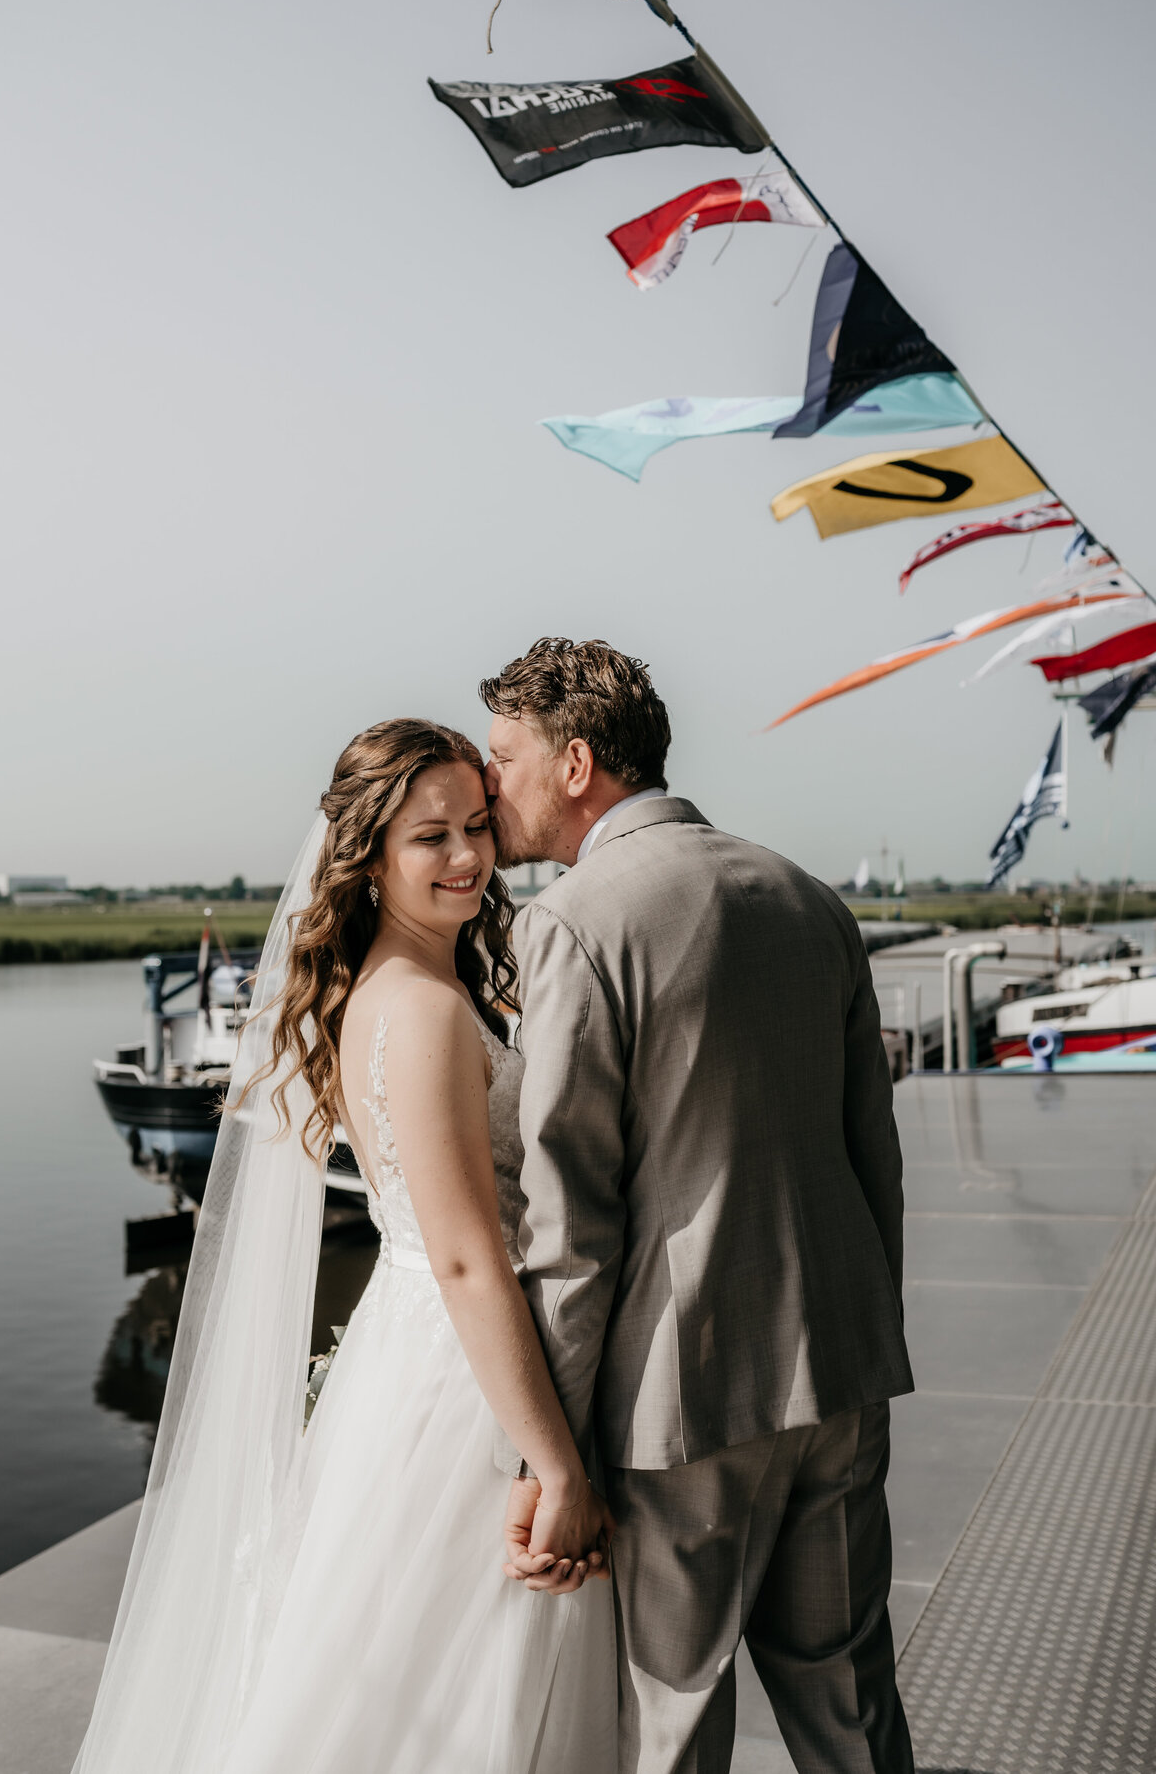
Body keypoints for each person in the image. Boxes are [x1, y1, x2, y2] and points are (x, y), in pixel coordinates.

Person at [72, 719, 616, 1774]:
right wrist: (555, 1468)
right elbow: (465, 1259)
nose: (466, 856)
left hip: (412, 1351)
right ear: (368, 857)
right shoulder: (420, 1011)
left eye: (475, 826)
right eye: (429, 839)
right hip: (456, 1378)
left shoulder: (403, 985)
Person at [482, 638, 916, 1774]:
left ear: (575, 763)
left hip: (681, 1404)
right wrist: (869, 1334)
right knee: (850, 1698)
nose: (491, 786)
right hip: (839, 1366)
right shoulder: (807, 897)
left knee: (671, 1725)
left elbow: (571, 1226)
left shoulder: (573, 921)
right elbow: (875, 1153)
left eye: (504, 756)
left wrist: (553, 1455)